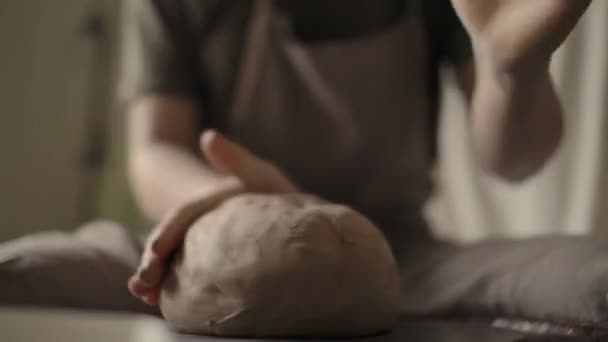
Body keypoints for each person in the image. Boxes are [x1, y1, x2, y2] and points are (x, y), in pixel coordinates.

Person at [1, 0, 601, 323]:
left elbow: (515, 161)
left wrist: (511, 69)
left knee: (592, 276)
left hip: (393, 260)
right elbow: (155, 148)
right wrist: (247, 205)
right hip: (203, 249)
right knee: (20, 270)